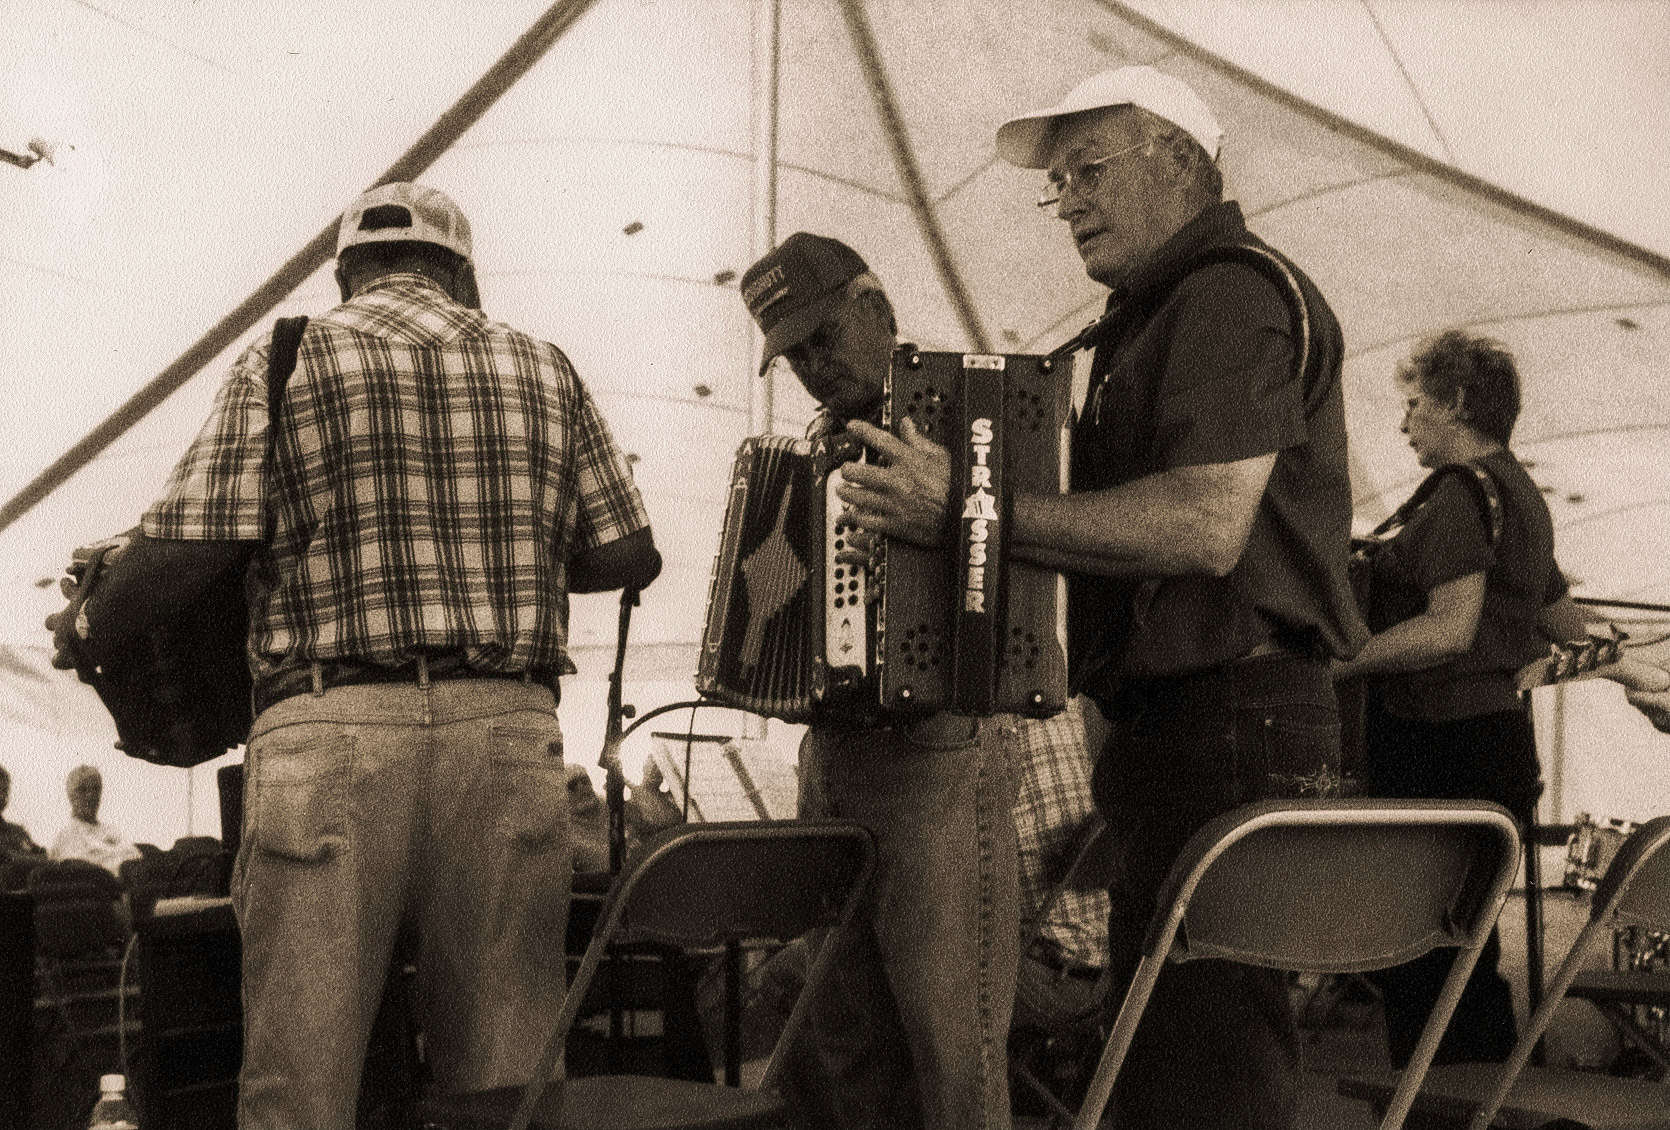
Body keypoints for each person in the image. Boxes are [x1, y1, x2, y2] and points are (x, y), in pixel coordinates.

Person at [837, 66, 1366, 1129]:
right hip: (1188, 722)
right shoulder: (1153, 311)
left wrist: (966, 505)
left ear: (1177, 158)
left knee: (1203, 1066)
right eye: (1058, 183)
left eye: (1089, 170)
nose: (1068, 200)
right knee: (1168, 1055)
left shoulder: (1227, 289)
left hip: (1225, 716)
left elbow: (1202, 526)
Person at [73, 182, 660, 1129]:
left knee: (300, 1084)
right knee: (507, 1086)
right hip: (505, 732)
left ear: (346, 272)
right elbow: (629, 554)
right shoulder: (544, 363)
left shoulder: (290, 352)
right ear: (462, 275)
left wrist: (92, 622)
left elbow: (192, 539)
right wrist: (499, 544)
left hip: (331, 736)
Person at [738, 232, 1019, 1130]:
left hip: (937, 748)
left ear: (878, 305)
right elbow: (780, 586)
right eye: (796, 355)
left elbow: (1025, 571)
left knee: (952, 1047)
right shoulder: (817, 447)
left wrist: (921, 543)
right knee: (844, 1038)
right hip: (836, 750)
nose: (816, 367)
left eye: (825, 335)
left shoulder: (968, 408)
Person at [1330, 329, 1640, 1066]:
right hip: (1497, 744)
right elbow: (1560, 618)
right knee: (1464, 945)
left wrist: (1337, 664)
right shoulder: (1519, 494)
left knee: (1421, 953)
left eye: (1413, 407)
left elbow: (1447, 630)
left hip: (1438, 743)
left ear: (1458, 403)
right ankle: (1485, 1107)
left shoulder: (1462, 493)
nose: (1403, 426)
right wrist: (1643, 678)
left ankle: (1440, 1110)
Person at [47, 765, 139, 876]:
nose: (91, 796)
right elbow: (85, 874)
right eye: (82, 790)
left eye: (96, 789)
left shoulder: (113, 831)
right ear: (71, 796)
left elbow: (136, 856)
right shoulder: (66, 837)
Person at [0, 764, 47, 863]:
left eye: (5, 791)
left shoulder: (17, 832)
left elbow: (43, 854)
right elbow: (9, 858)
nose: (2, 796)